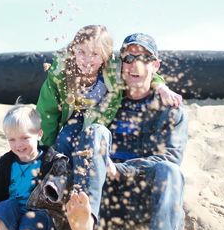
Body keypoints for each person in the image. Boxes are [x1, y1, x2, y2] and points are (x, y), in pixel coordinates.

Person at [65, 33, 188, 230]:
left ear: (155, 65)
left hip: (142, 196)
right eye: (128, 58)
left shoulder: (171, 108)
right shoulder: (107, 98)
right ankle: (87, 220)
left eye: (142, 57)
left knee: (171, 172)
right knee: (94, 130)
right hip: (104, 194)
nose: (134, 64)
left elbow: (171, 158)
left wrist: (121, 170)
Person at [36, 25, 182, 163]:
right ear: (73, 50)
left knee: (89, 142)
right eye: (81, 52)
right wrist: (45, 150)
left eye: (94, 54)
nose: (87, 59)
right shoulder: (60, 74)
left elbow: (144, 72)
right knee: (64, 138)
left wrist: (162, 88)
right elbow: (47, 112)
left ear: (105, 56)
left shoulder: (113, 68)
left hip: (102, 114)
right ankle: (60, 172)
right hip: (76, 114)